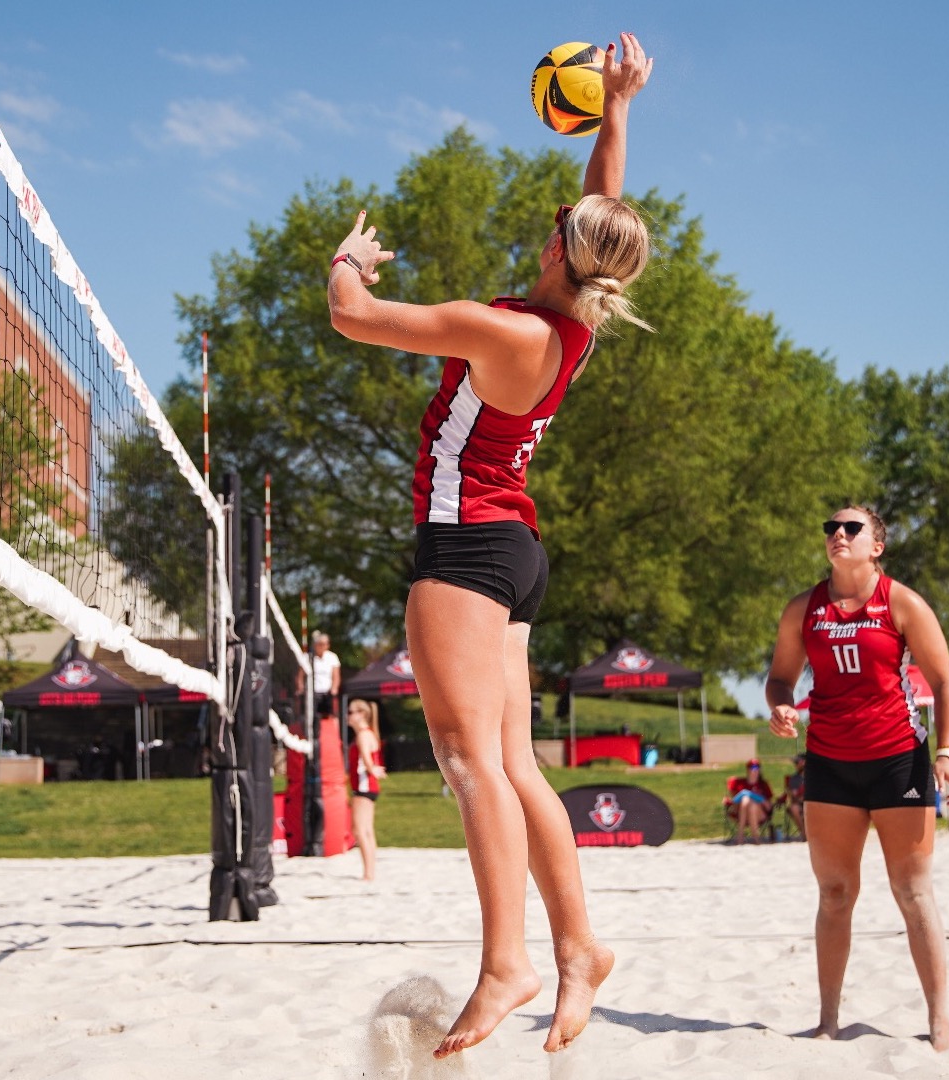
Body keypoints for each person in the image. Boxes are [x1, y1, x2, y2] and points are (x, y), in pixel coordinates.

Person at [325, 32, 654, 1058]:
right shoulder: (577, 321)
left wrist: (350, 256)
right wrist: (617, 109)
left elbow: (352, 317)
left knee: (472, 766)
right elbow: (603, 208)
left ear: (562, 250)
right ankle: (580, 949)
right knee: (514, 766)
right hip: (510, 551)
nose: (552, 221)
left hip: (465, 553)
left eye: (559, 224)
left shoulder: (500, 330)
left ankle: (509, 961)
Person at [767, 505, 949, 1052]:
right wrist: (781, 707)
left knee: (912, 890)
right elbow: (780, 678)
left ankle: (939, 1021)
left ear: (876, 545)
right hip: (830, 763)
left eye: (851, 528)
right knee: (835, 894)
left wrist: (946, 754)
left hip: (899, 760)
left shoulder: (900, 602)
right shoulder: (803, 609)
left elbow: (945, 683)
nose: (838, 534)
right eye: (830, 527)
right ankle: (828, 1019)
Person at [346, 699, 387, 882]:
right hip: (369, 786)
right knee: (367, 830)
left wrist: (373, 770)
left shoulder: (363, 735)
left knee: (360, 830)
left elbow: (367, 761)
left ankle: (368, 873)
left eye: (350, 712)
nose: (348, 716)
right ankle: (370, 871)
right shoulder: (370, 733)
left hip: (363, 786)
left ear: (361, 714)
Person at [724, 759, 774, 843]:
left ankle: (740, 835)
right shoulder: (741, 783)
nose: (755, 770)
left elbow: (768, 807)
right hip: (741, 811)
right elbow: (734, 801)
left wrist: (754, 796)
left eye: (757, 767)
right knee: (746, 800)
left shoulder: (763, 784)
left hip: (760, 814)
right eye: (752, 767)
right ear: (747, 769)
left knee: (751, 803)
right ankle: (756, 837)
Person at [298, 632, 343, 719]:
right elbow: (300, 676)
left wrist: (334, 689)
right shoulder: (307, 657)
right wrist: (301, 688)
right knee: (311, 716)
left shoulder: (332, 657)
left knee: (328, 716)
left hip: (327, 694)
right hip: (311, 693)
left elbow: (336, 676)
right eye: (320, 644)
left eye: (324, 644)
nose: (322, 646)